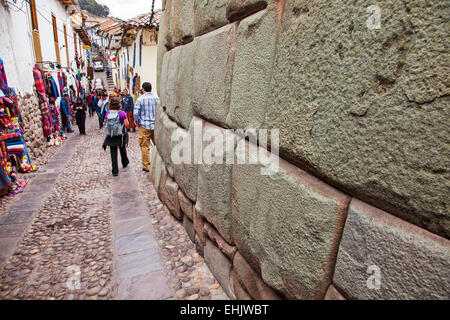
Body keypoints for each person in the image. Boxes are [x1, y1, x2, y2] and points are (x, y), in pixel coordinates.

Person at [134, 82, 159, 172]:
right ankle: (159, 163)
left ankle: (146, 166)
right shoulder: (157, 98)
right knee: (158, 146)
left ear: (143, 89)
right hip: (156, 125)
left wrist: (137, 122)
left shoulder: (140, 99)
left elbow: (136, 113)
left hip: (144, 125)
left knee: (145, 146)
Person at [102, 97, 129, 176]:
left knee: (113, 152)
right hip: (120, 134)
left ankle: (115, 170)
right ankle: (124, 162)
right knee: (122, 148)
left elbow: (106, 122)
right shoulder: (122, 113)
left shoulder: (108, 113)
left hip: (111, 135)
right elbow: (127, 124)